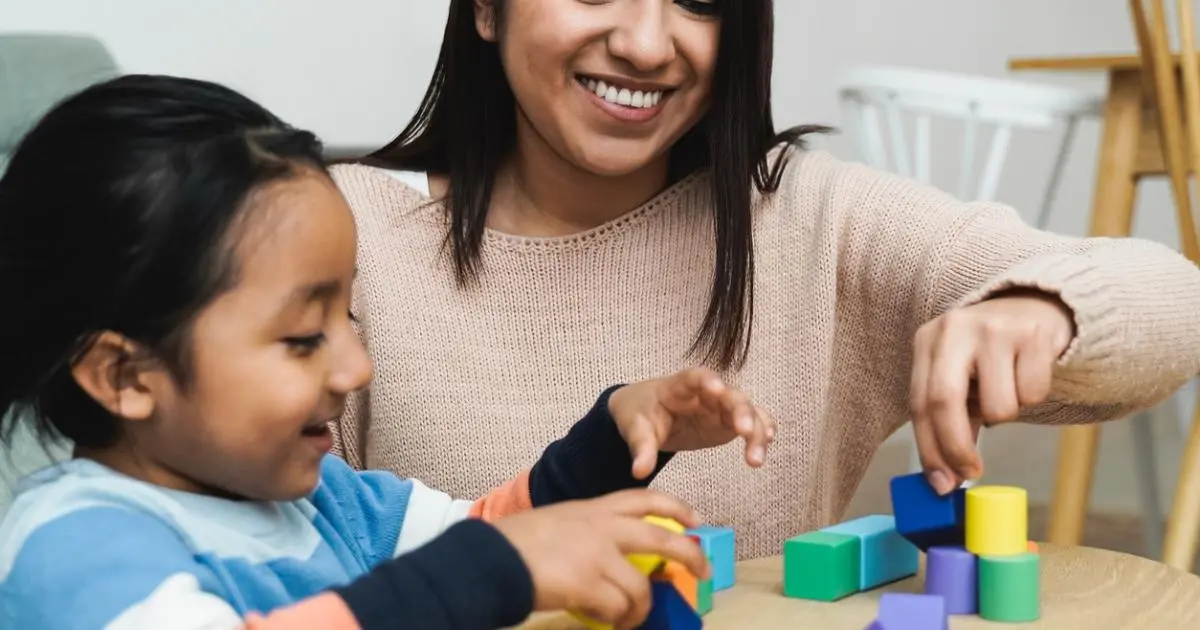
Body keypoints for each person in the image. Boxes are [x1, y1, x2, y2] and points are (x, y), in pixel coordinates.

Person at [330, 0, 1200, 559]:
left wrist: (1039, 308)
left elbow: (1176, 301)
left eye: (699, 1)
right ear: (485, 6)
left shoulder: (809, 218)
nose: (643, 42)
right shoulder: (345, 237)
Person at [0, 74, 778, 630]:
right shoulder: (74, 547)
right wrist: (487, 572)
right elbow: (477, 565)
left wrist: (612, 435)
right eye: (304, 338)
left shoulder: (325, 501)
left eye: (350, 318)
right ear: (125, 376)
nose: (354, 369)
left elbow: (486, 529)